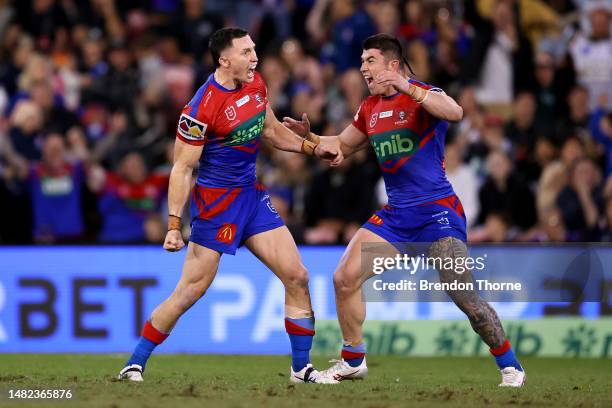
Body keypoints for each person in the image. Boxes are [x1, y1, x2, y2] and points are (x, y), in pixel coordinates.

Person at [284, 33, 525, 387]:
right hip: (397, 218)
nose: (363, 67)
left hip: (437, 214)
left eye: (370, 61)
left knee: (464, 296)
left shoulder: (424, 95)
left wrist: (407, 86)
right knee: (344, 278)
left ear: (392, 65)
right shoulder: (369, 108)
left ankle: (510, 366)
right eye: (362, 61)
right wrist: (312, 138)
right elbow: (342, 147)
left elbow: (455, 112)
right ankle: (353, 359)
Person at [117, 27, 339, 384]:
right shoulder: (200, 107)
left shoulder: (255, 83)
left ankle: (302, 369)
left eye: (253, 50)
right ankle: (134, 363)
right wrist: (174, 226)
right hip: (217, 206)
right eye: (247, 52)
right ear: (225, 60)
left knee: (296, 275)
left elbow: (270, 131)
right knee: (190, 291)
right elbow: (183, 167)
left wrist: (312, 147)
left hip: (251, 198)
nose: (255, 57)